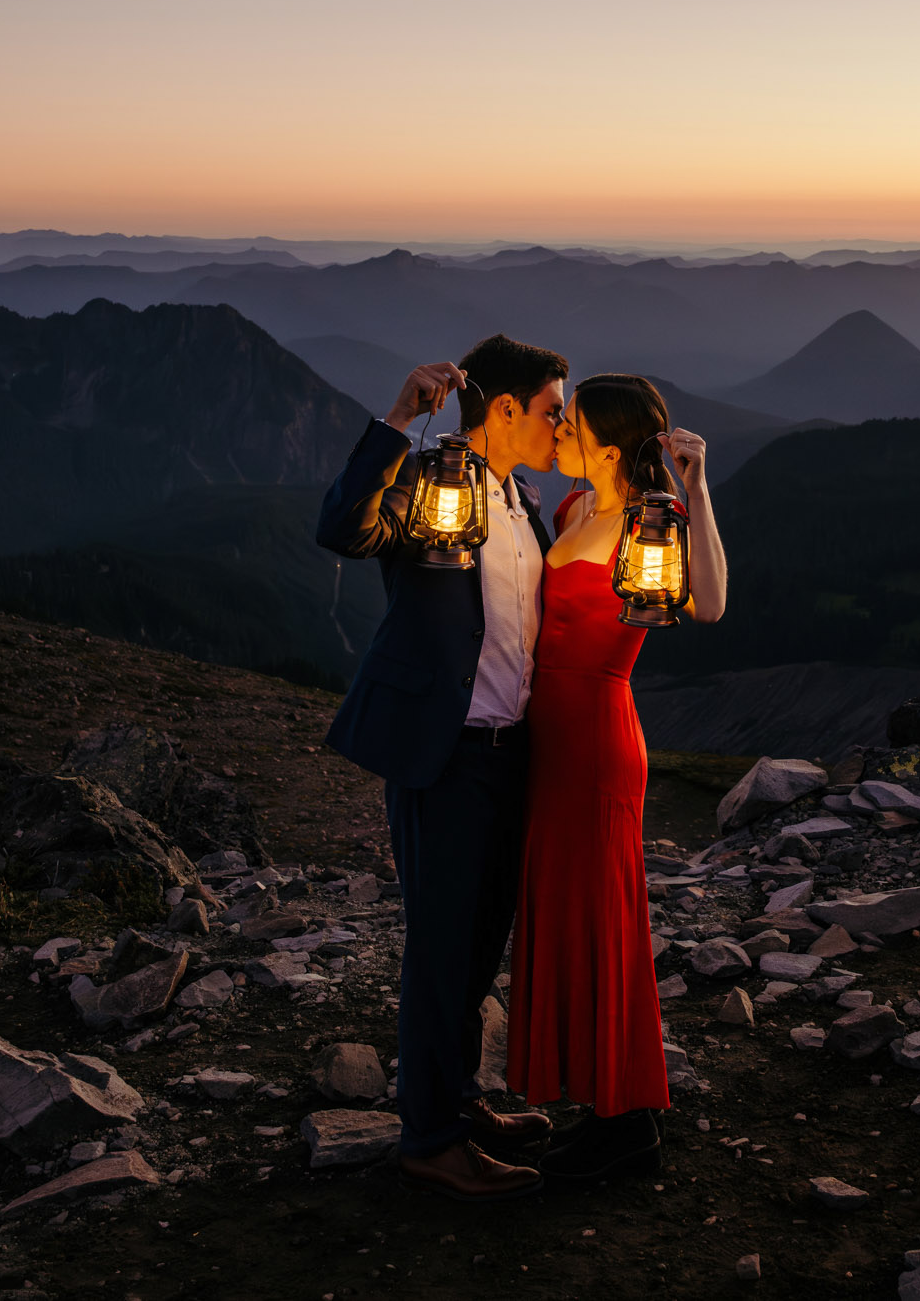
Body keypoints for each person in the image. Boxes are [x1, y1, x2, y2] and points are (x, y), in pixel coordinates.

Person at [313, 333, 569, 1203]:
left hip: (509, 756)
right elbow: (342, 529)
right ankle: (428, 1138)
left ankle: (457, 1102)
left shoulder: (520, 498)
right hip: (443, 757)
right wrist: (395, 423)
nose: (559, 425)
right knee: (439, 951)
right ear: (505, 408)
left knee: (478, 947)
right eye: (549, 410)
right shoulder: (432, 484)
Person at [504, 373, 728, 1182]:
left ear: (605, 443)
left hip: (597, 737)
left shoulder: (647, 522)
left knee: (604, 919)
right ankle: (595, 1102)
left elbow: (707, 608)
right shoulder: (572, 512)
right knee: (565, 911)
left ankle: (628, 1122)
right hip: (552, 736)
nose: (557, 431)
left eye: (571, 427)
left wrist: (697, 493)